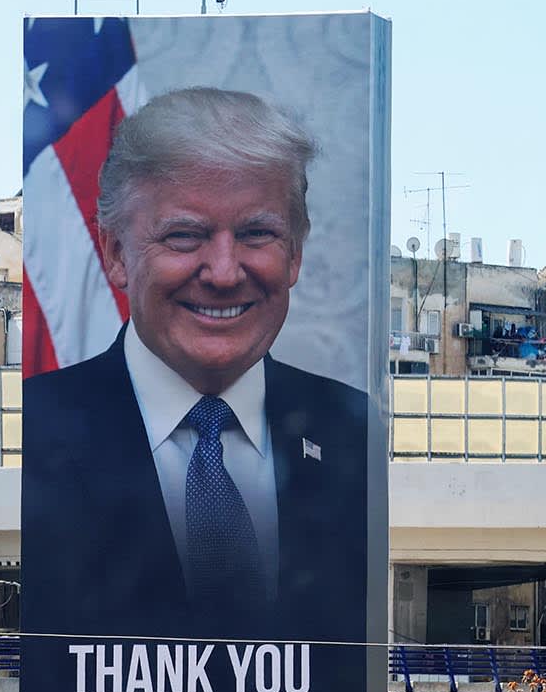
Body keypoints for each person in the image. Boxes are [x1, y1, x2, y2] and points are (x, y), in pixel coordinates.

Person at [22, 86, 369, 647]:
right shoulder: (41, 429)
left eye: (258, 234)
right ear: (115, 254)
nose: (225, 272)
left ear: (296, 254)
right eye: (185, 235)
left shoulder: (352, 429)